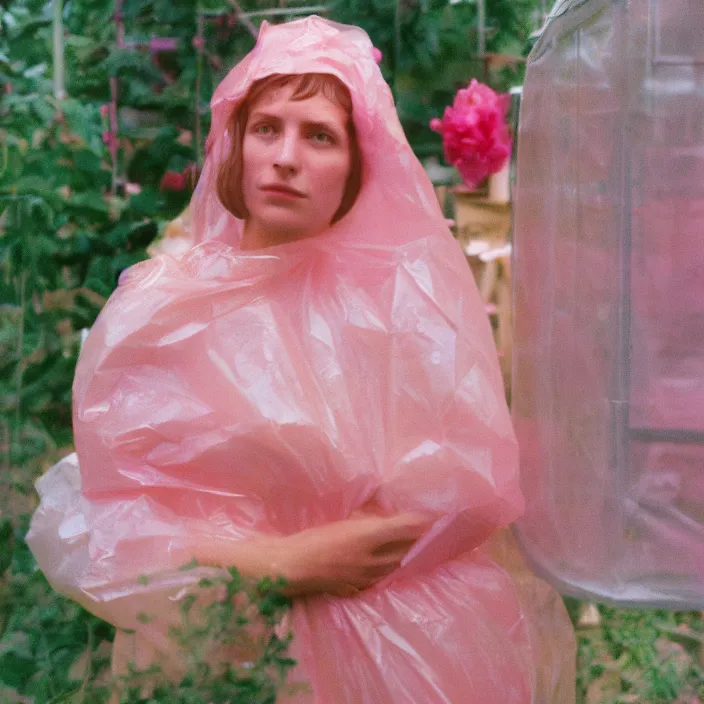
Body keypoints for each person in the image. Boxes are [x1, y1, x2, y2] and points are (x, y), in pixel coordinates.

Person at [28, 16, 576, 702]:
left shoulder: (398, 311)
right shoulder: (158, 312)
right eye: (267, 128)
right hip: (208, 651)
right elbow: (107, 525)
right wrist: (282, 562)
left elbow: (462, 493)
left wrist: (258, 556)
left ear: (358, 164)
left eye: (319, 135)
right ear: (237, 146)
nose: (286, 156)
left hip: (390, 653)